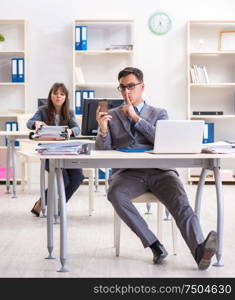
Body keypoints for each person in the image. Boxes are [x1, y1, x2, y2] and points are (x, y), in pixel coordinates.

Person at [95, 67, 217, 270]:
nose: (127, 92)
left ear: (142, 87)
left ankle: (199, 251)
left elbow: (163, 140)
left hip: (161, 172)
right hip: (128, 174)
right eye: (123, 87)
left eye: (131, 86)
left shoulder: (159, 113)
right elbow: (103, 152)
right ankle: (153, 244)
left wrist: (136, 119)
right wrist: (103, 130)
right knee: (115, 194)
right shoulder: (113, 115)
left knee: (181, 203)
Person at [27, 82, 84, 216]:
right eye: (55, 93)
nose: (58, 96)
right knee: (62, 180)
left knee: (78, 178)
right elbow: (29, 123)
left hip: (67, 151)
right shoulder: (42, 110)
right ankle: (53, 208)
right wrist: (36, 123)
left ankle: (53, 205)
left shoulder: (69, 112)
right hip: (49, 152)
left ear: (65, 97)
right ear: (50, 95)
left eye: (62, 94)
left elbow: (77, 129)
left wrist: (70, 132)